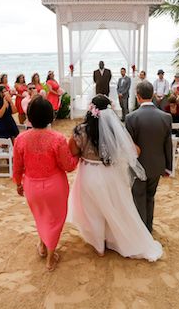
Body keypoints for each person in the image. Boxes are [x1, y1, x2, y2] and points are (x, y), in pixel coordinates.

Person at [67, 95, 162, 261]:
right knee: (112, 206)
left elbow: (73, 151)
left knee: (93, 210)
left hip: (89, 174)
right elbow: (135, 151)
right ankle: (112, 239)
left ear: (91, 110)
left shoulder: (81, 130)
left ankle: (99, 246)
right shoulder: (115, 130)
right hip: (110, 175)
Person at [13, 96, 79, 272]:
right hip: (54, 185)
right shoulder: (57, 138)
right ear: (50, 116)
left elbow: (17, 166)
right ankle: (50, 257)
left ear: (30, 116)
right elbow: (68, 166)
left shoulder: (21, 139)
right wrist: (78, 155)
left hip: (32, 186)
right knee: (55, 220)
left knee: (40, 215)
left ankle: (43, 245)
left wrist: (18, 184)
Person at [125, 81, 173, 232]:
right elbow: (168, 145)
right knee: (150, 197)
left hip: (138, 166)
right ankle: (149, 228)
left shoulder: (131, 118)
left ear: (137, 96)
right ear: (152, 95)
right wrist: (168, 167)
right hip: (157, 165)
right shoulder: (165, 117)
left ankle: (141, 231)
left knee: (138, 197)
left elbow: (129, 147)